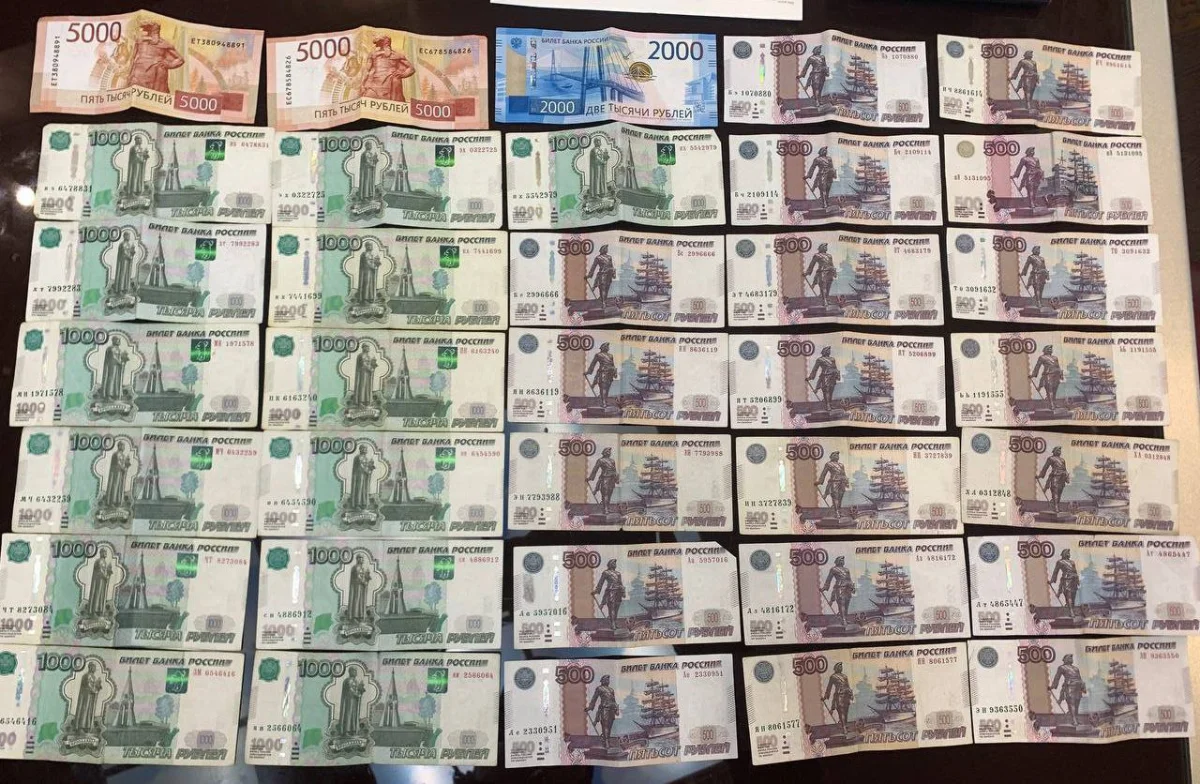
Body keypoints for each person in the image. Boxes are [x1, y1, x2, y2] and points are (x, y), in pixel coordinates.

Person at [128, 21, 183, 94]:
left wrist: (169, 64)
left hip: (156, 75)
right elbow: (133, 58)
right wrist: (130, 74)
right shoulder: (139, 42)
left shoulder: (164, 43)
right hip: (139, 75)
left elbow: (180, 59)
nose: (145, 33)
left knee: (156, 95)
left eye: (148, 30)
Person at [360, 36, 416, 103]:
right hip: (375, 84)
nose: (387, 45)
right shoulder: (373, 54)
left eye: (387, 43)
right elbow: (367, 70)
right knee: (367, 100)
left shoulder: (397, 55)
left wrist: (403, 74)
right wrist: (363, 84)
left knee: (395, 103)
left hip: (391, 83)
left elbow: (411, 68)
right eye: (385, 43)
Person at [1050, 653, 1086, 726]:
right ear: (1065, 659)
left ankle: (1075, 720)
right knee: (1073, 704)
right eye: (1070, 658)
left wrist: (1052, 687)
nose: (1071, 659)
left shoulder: (1073, 668)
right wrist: (1053, 686)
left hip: (1074, 686)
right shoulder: (1064, 668)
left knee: (1074, 704)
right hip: (1074, 686)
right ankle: (1075, 720)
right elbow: (1057, 678)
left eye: (1071, 658)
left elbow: (1079, 678)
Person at [587, 674, 619, 748]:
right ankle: (606, 742)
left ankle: (607, 740)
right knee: (605, 725)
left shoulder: (611, 690)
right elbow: (594, 699)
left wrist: (616, 709)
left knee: (610, 726)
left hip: (611, 710)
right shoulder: (599, 688)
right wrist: (590, 707)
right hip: (604, 709)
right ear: (603, 681)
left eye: (608, 679)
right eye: (607, 679)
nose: (608, 681)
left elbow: (613, 700)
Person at [822, 555, 855, 627]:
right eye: (841, 560)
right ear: (837, 561)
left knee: (846, 604)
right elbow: (828, 579)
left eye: (843, 560)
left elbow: (849, 579)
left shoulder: (846, 570)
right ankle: (843, 620)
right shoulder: (833, 569)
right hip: (839, 588)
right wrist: (824, 587)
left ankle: (845, 618)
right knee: (841, 603)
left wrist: (852, 587)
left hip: (848, 588)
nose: (842, 561)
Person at [593, 559, 625, 631]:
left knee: (616, 608)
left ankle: (615, 622)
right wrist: (596, 591)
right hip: (611, 591)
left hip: (618, 592)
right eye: (614, 563)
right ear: (610, 564)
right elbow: (601, 582)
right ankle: (612, 623)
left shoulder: (618, 573)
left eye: (615, 563)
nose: (615, 564)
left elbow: (620, 583)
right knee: (611, 608)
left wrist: (623, 592)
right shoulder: (606, 573)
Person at [1029, 344, 1063, 410]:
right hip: (1048, 375)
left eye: (1051, 349)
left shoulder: (1055, 357)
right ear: (1045, 350)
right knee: (1049, 390)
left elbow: (1058, 366)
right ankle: (1051, 404)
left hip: (1056, 375)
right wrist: (1033, 375)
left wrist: (1061, 374)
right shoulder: (1042, 357)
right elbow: (1037, 366)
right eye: (1049, 349)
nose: (1050, 350)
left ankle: (1054, 403)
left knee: (1054, 390)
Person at [815, 451, 849, 517]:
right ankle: (836, 512)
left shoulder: (841, 465)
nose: (837, 456)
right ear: (831, 457)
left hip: (842, 482)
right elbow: (823, 474)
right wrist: (820, 482)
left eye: (837, 455)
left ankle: (839, 511)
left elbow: (844, 474)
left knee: (840, 498)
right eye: (835, 455)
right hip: (834, 482)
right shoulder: (829, 464)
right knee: (835, 497)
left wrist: (846, 482)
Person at [823, 662, 853, 735]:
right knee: (841, 712)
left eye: (841, 667)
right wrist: (825, 697)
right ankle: (844, 728)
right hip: (839, 696)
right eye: (839, 667)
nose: (841, 668)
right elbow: (829, 687)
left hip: (846, 696)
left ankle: (844, 725)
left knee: (845, 712)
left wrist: (851, 695)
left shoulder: (845, 676)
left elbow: (848, 686)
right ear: (836, 668)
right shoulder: (833, 676)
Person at [807, 346, 841, 412]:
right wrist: (810, 377)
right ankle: (827, 405)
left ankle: (830, 404)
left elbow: (835, 368)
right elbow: (815, 369)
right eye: (828, 350)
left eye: (829, 350)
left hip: (832, 376)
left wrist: (838, 375)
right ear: (825, 351)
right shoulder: (820, 360)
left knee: (831, 390)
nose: (829, 351)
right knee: (826, 390)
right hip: (825, 376)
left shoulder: (832, 359)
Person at [1050, 548, 1081, 618]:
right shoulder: (1060, 562)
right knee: (1069, 596)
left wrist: (1078, 581)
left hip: (1072, 579)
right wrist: (1052, 581)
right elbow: (1055, 572)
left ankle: (1072, 611)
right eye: (1068, 553)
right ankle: (1071, 612)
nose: (1069, 554)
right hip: (1068, 580)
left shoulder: (1071, 562)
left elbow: (1075, 571)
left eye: (1069, 553)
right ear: (1065, 554)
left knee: (1072, 596)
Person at [585, 342, 618, 409]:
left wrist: (615, 373)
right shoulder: (598, 355)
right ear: (603, 348)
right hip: (603, 373)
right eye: (607, 346)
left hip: (610, 373)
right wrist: (588, 372)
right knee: (603, 388)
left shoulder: (611, 355)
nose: (608, 348)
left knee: (607, 388)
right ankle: (604, 403)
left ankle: (605, 401)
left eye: (608, 347)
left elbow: (612, 365)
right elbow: (593, 364)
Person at [1038, 446, 1070, 513]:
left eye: (1060, 450)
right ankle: (1056, 507)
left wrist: (1067, 477)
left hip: (1062, 477)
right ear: (1054, 451)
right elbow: (1045, 468)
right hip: (1055, 476)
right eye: (1058, 450)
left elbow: (1065, 469)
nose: (1059, 452)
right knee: (1055, 491)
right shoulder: (1051, 458)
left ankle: (1057, 506)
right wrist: (1040, 476)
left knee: (1059, 492)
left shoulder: (1062, 460)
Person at [805, 242, 837, 307]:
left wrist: (834, 272)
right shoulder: (817, 255)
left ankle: (827, 299)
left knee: (828, 287)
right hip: (822, 272)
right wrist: (807, 273)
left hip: (830, 272)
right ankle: (824, 301)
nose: (826, 247)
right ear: (821, 248)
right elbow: (812, 265)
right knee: (823, 287)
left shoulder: (829, 256)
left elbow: (831, 264)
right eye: (825, 246)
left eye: (826, 246)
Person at [588, 447, 618, 513]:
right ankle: (605, 509)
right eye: (608, 451)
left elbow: (614, 470)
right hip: (605, 479)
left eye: (610, 452)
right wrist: (590, 478)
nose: (609, 453)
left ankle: (608, 508)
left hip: (612, 479)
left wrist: (616, 479)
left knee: (609, 494)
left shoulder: (612, 461)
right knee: (605, 494)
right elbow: (595, 470)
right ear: (604, 453)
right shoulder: (600, 460)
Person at [806, 146, 836, 210]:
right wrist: (808, 175)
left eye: (826, 150)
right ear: (821, 151)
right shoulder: (817, 159)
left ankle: (827, 202)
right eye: (824, 150)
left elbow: (832, 167)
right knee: (823, 189)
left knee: (827, 189)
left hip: (829, 175)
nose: (825, 151)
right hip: (822, 175)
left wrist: (834, 174)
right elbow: (812, 168)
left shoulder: (829, 158)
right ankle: (824, 204)